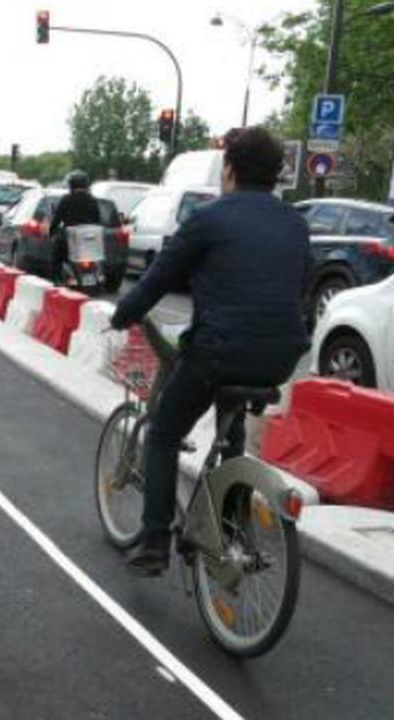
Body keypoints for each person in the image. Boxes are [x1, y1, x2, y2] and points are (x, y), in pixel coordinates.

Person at [110, 126, 311, 576]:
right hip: (280, 356)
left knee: (163, 432)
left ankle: (156, 540)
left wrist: (123, 314)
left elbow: (159, 278)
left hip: (218, 351)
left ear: (231, 170)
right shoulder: (296, 222)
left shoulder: (209, 217)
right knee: (231, 431)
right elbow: (300, 288)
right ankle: (231, 522)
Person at [49, 170, 104, 281]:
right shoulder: (92, 200)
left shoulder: (66, 199)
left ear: (71, 184)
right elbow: (98, 221)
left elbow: (57, 219)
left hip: (70, 239)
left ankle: (57, 280)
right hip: (88, 241)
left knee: (56, 257)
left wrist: (51, 232)